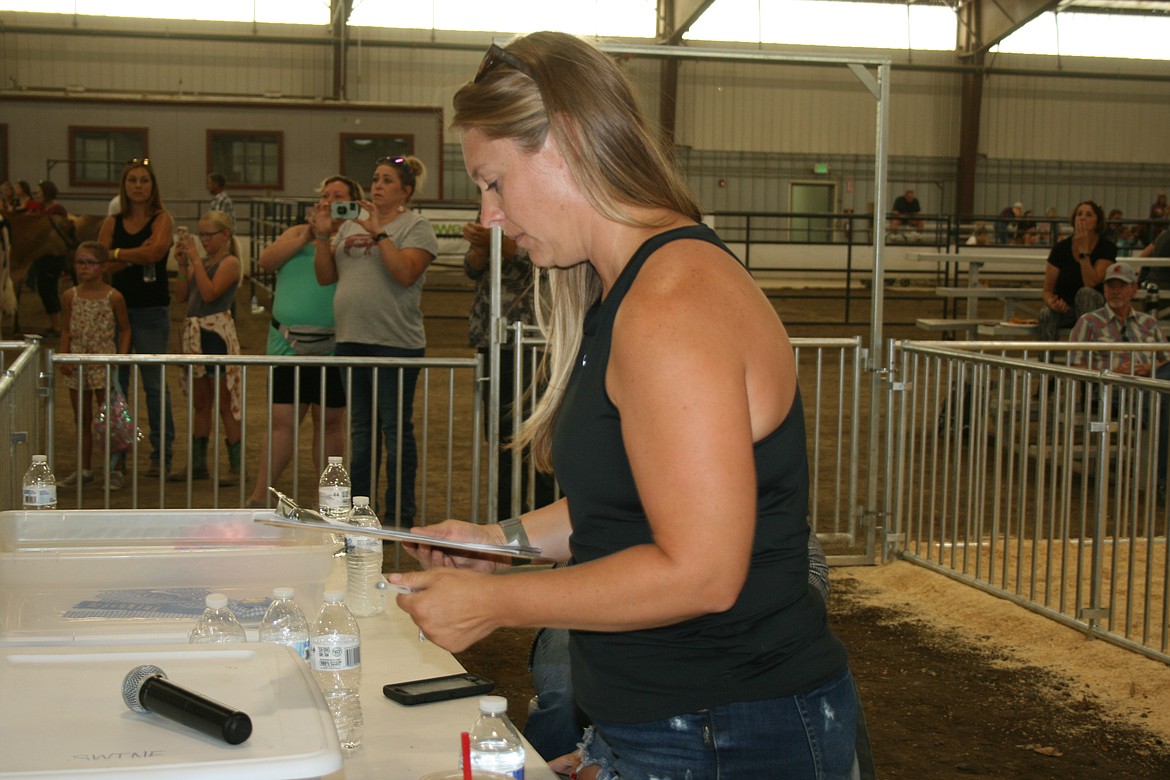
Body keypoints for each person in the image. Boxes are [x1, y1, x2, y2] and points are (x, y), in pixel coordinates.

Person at [391, 32, 858, 778]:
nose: (488, 216)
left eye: (494, 182)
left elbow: (701, 572)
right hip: (669, 722)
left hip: (727, 727)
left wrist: (498, 604)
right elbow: (633, 502)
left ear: (568, 143)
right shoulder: (626, 291)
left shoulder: (670, 305)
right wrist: (499, 541)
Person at [314, 155, 438, 527]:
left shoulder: (416, 227)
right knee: (362, 431)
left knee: (395, 429)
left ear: (406, 191)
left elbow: (404, 274)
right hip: (351, 339)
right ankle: (361, 511)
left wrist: (379, 233)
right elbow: (325, 276)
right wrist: (322, 236)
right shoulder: (350, 224)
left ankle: (400, 512)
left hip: (394, 342)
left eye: (387, 180)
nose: (377, 186)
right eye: (375, 179)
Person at [246, 176, 360, 508]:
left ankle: (329, 500)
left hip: (335, 344)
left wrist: (328, 236)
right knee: (283, 422)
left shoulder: (353, 239)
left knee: (329, 423)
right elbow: (266, 261)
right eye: (325, 195)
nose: (329, 201)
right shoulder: (297, 233)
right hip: (286, 344)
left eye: (338, 197)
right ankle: (259, 495)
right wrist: (310, 234)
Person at [463, 216, 555, 519]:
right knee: (501, 437)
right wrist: (480, 247)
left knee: (540, 434)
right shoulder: (491, 216)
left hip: (532, 341)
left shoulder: (541, 216)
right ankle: (506, 523)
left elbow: (543, 264)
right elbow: (472, 269)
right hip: (493, 340)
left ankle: (547, 519)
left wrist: (499, 244)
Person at [98, 159, 177, 476]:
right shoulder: (111, 222)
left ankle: (162, 454)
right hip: (116, 311)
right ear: (125, 185)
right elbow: (102, 263)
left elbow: (155, 253)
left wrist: (118, 254)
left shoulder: (162, 219)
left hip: (152, 311)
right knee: (117, 386)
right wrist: (126, 255)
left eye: (144, 180)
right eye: (133, 180)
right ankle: (118, 456)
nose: (138, 185)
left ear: (152, 186)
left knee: (155, 386)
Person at [1069, 262, 1170, 488]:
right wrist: (1111, 373)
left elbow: (1164, 358)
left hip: (1150, 383)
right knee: (1162, 398)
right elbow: (1074, 367)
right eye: (1110, 286)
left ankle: (1160, 477)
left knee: (1162, 387)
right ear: (1103, 290)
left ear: (1134, 289)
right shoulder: (1089, 322)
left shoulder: (1148, 323)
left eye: (1121, 286)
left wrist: (1151, 369)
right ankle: (1161, 481)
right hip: (1112, 390)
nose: (1115, 291)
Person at [172, 210, 243, 482]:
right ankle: (198, 463)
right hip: (196, 333)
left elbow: (209, 292)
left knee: (226, 401)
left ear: (225, 235)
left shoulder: (230, 262)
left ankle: (235, 466)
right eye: (200, 235)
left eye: (208, 235)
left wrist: (194, 262)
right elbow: (181, 295)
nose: (203, 240)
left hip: (216, 335)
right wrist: (182, 265)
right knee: (201, 401)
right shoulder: (202, 261)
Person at [56, 241, 132, 489]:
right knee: (83, 417)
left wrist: (119, 359)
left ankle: (116, 469)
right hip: (78, 361)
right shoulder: (70, 296)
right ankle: (85, 468)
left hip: (103, 361)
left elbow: (125, 329)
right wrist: (64, 355)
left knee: (110, 417)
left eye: (90, 263)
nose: (84, 268)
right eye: (80, 263)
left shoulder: (114, 296)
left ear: (102, 266)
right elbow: (66, 329)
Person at [1037, 200, 1117, 341]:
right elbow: (1047, 289)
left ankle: (1085, 357)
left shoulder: (1106, 248)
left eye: (1088, 215)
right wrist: (1053, 303)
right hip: (1066, 308)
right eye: (1079, 214)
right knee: (1046, 314)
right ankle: (1045, 360)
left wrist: (1083, 251)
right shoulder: (1060, 248)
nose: (1082, 218)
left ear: (1097, 222)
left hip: (1096, 308)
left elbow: (1091, 282)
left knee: (1085, 294)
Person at [26, 180, 71, 335]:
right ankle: (55, 324)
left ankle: (58, 326)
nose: (36, 195)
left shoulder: (56, 211)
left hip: (53, 257)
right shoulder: (46, 210)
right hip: (45, 256)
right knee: (46, 289)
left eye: (39, 192)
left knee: (48, 289)